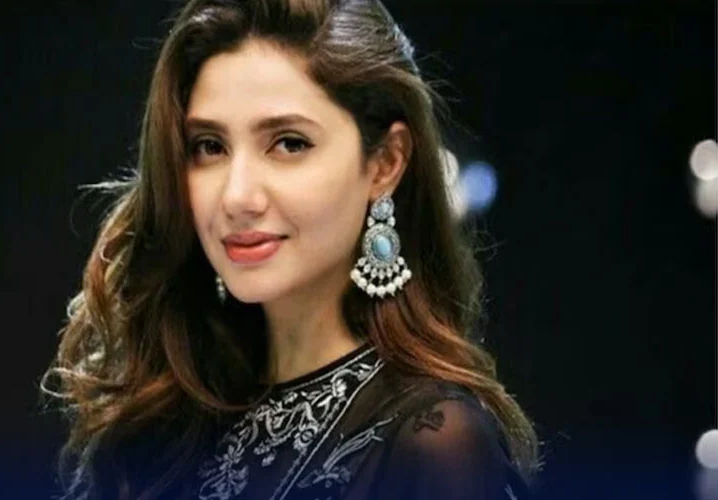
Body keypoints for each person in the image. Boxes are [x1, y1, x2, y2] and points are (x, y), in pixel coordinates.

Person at [41, 1, 541, 499]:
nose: (237, 196)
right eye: (210, 146)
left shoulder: (433, 440)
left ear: (386, 163)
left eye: (289, 143)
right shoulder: (166, 416)